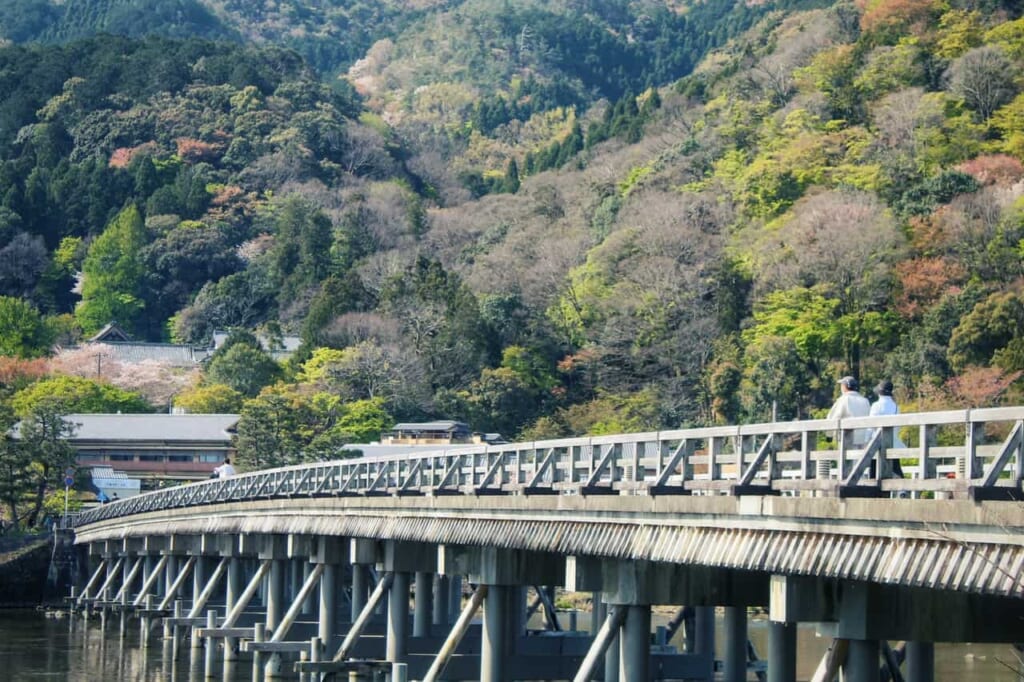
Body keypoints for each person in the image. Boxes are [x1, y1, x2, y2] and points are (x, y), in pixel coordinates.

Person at [871, 380, 905, 478]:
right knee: (895, 467)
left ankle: (873, 492)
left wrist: (866, 440)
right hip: (892, 441)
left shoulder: (876, 406)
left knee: (874, 469)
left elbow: (871, 425)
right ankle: (902, 489)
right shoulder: (895, 407)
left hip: (877, 441)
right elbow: (897, 426)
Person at [827, 376, 871, 447]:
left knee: (847, 457)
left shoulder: (844, 399)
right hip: (863, 439)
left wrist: (829, 435)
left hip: (847, 439)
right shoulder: (865, 401)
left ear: (845, 386)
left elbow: (833, 418)